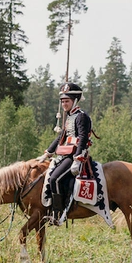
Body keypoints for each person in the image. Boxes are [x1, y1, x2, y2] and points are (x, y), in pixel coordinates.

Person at [37, 82, 92, 225]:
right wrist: (47, 153)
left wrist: (77, 159)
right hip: (64, 154)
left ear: (74, 101)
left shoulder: (81, 116)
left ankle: (58, 213)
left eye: (67, 101)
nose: (64, 104)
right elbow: (60, 137)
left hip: (74, 156)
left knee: (55, 178)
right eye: (62, 101)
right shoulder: (69, 117)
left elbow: (83, 139)